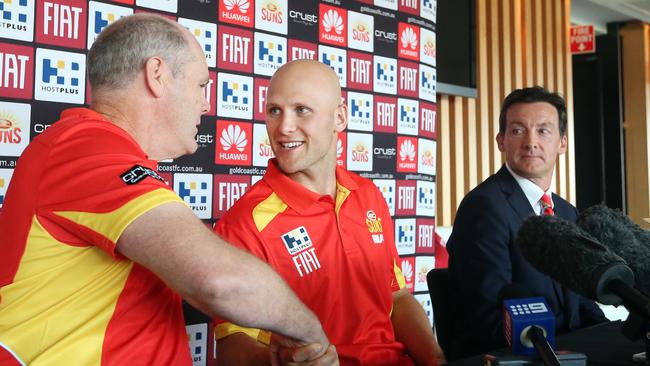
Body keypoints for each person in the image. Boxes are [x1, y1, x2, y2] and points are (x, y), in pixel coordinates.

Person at [0, 14, 336, 365]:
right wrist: (311, 334)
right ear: (157, 75)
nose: (206, 105)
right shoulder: (86, 149)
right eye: (201, 86)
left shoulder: (95, 152)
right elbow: (220, 280)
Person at [212, 59, 446, 366]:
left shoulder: (369, 196)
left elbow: (397, 297)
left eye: (302, 110)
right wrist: (281, 362)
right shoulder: (244, 223)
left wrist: (436, 359)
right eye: (274, 111)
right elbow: (231, 346)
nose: (283, 127)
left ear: (339, 118)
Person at [446, 86, 607, 359]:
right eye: (518, 130)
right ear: (501, 141)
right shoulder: (484, 208)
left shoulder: (566, 212)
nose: (531, 141)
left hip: (567, 350)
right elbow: (491, 321)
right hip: (515, 355)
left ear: (562, 142)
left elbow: (581, 302)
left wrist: (607, 335)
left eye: (543, 130)